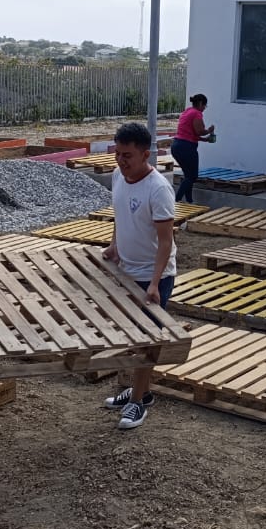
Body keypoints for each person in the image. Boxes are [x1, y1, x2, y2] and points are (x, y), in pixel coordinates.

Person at [102, 122, 177, 429]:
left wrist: (156, 283)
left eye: (128, 155)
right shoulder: (118, 176)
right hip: (127, 270)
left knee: (148, 340)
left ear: (146, 154)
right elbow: (120, 215)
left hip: (152, 276)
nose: (121, 161)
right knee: (133, 336)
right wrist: (114, 245)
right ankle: (140, 391)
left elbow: (166, 241)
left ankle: (138, 402)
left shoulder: (158, 189)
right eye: (118, 154)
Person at [170, 93, 215, 204]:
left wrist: (205, 140)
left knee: (188, 176)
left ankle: (189, 201)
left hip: (177, 145)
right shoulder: (196, 113)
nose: (204, 108)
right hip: (186, 148)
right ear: (200, 103)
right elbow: (199, 131)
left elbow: (190, 133)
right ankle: (177, 199)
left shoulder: (187, 112)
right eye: (204, 105)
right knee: (192, 176)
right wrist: (209, 130)